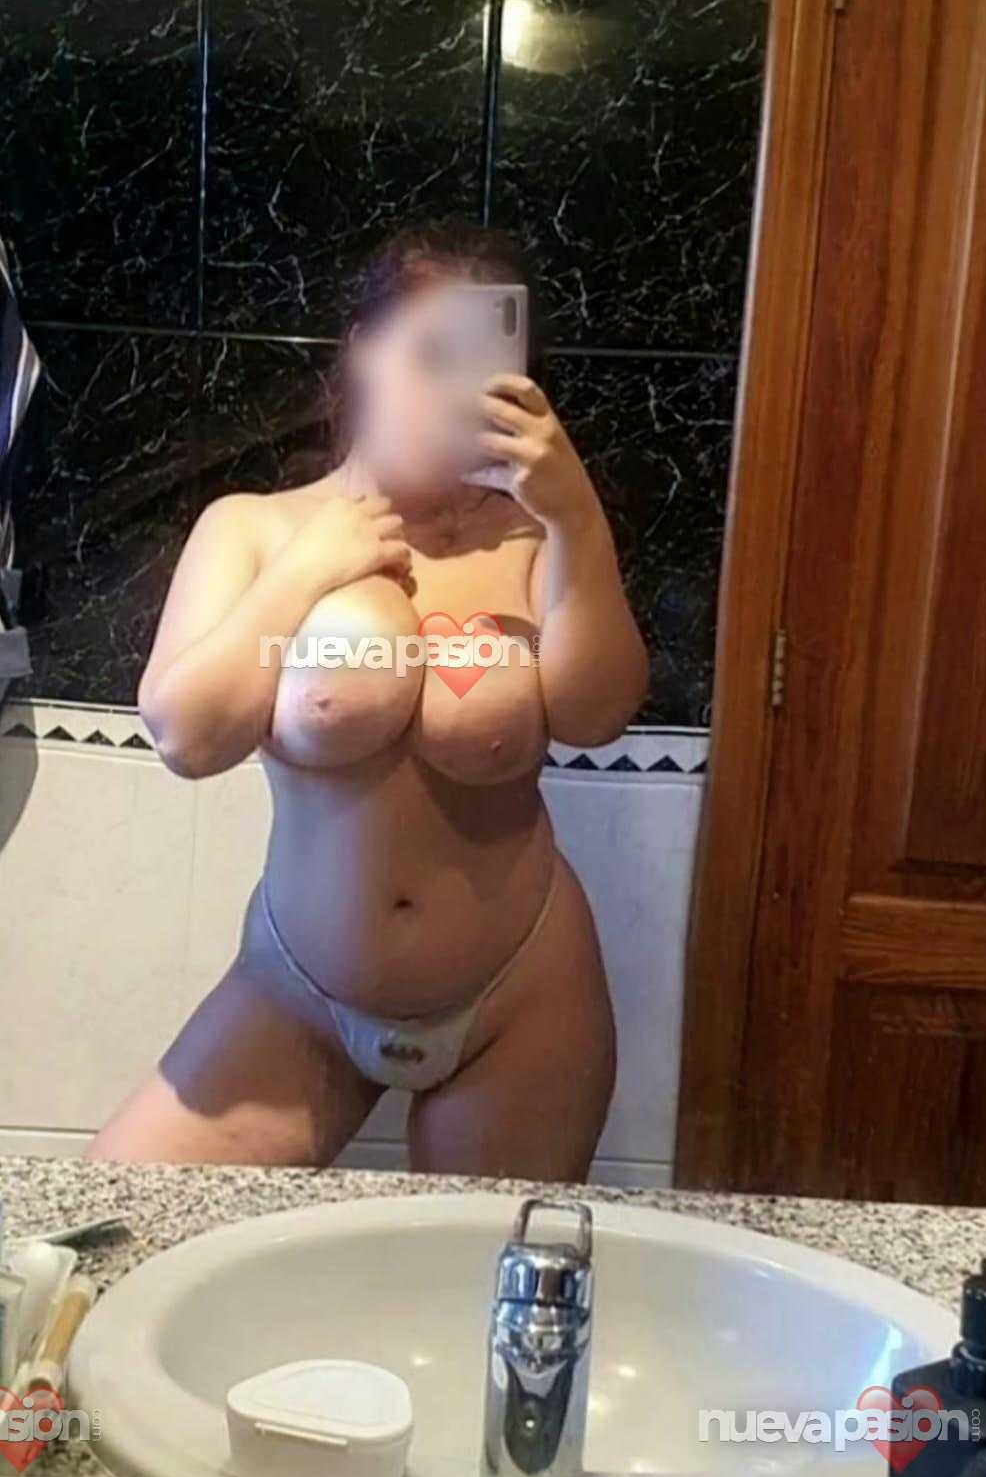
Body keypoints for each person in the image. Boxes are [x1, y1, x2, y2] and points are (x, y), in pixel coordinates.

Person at [90, 221, 648, 1178]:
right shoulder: (254, 528)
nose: (451, 390)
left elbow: (596, 715)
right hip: (296, 996)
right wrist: (304, 572)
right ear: (361, 352)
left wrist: (575, 514)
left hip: (523, 993)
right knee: (126, 1223)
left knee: (484, 1266)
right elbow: (186, 736)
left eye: (482, 364)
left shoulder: (535, 541)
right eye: (428, 354)